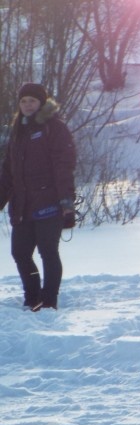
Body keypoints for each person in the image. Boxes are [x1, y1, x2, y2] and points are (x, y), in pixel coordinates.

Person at [0, 82, 77, 311]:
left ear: (41, 102)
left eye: (32, 101)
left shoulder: (54, 128)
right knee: (20, 253)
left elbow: (64, 166)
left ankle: (49, 300)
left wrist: (66, 202)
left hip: (49, 202)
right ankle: (32, 296)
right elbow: (8, 172)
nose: (27, 105)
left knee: (47, 251)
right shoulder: (18, 130)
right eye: (23, 101)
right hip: (22, 205)